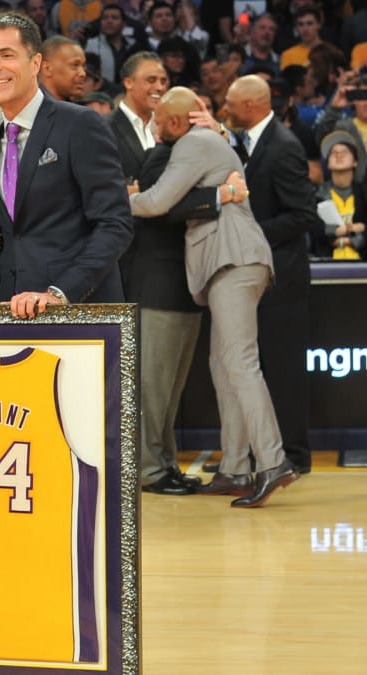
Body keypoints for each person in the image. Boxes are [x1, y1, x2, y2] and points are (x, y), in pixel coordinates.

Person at [128, 87, 298, 507]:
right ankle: (236, 468)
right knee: (224, 366)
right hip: (235, 260)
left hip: (232, 259)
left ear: (173, 122)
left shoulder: (192, 143)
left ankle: (273, 461)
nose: (155, 128)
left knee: (239, 363)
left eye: (159, 121)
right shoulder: (211, 141)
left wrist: (125, 196)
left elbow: (156, 202)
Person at [0, 12, 132, 319]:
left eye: (6, 55)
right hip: (14, 309)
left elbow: (115, 224)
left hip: (80, 311)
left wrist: (60, 293)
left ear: (35, 63)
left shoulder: (79, 124)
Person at [225, 74, 320, 474]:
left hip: (283, 280)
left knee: (283, 372)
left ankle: (294, 457)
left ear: (250, 105)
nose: (224, 109)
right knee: (261, 370)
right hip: (260, 280)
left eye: (230, 103)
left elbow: (304, 215)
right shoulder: (249, 143)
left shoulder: (282, 147)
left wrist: (249, 235)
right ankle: (266, 456)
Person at [315, 130, 367, 258]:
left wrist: (347, 240)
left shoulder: (364, 193)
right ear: (327, 164)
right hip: (325, 265)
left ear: (355, 162)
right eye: (333, 153)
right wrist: (344, 230)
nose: (339, 155)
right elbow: (313, 229)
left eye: (344, 152)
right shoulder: (317, 195)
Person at [39, 35, 87, 101]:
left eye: (83, 66)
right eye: (75, 65)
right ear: (47, 68)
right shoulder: (26, 107)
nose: (83, 73)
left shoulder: (75, 109)